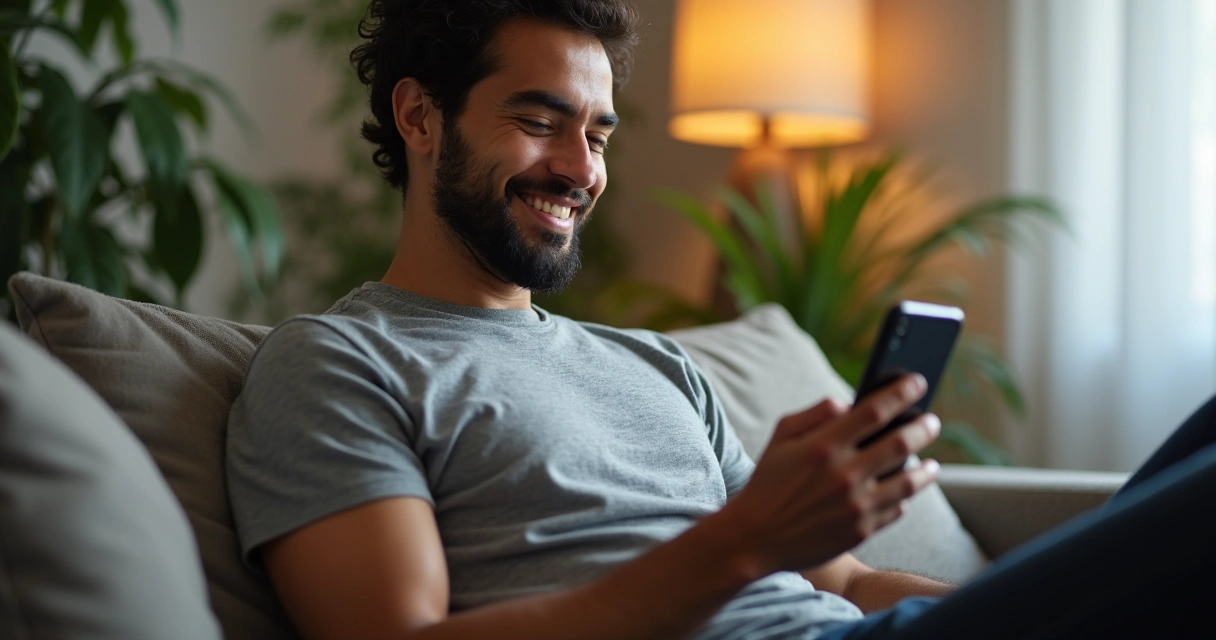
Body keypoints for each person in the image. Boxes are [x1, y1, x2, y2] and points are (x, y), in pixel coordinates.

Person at [225, 2, 1216, 638]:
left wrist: (1033, 599)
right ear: (419, 116)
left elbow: (844, 578)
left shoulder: (653, 364)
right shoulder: (338, 362)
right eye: (538, 121)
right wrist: (743, 538)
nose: (580, 169)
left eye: (597, 132)